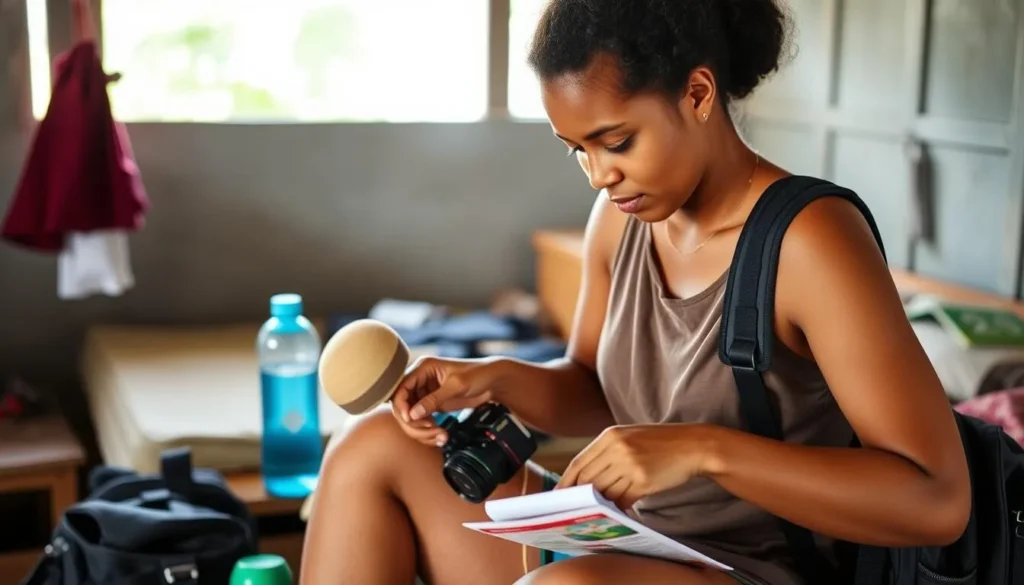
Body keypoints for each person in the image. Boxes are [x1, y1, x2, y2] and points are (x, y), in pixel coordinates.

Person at [300, 0, 972, 583]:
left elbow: (935, 499)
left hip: (755, 568)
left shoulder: (810, 239)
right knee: (368, 448)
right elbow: (596, 388)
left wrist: (700, 448)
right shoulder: (619, 224)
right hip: (631, 540)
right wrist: (493, 378)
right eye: (577, 151)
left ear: (699, 95)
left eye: (615, 142)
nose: (598, 176)